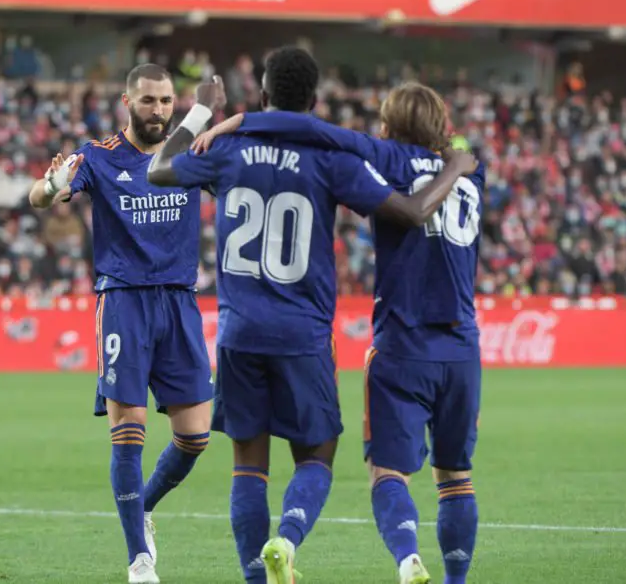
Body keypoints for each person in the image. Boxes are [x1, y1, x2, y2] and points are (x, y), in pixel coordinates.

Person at [146, 48, 477, 584]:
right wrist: (454, 165)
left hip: (239, 331)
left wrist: (205, 112)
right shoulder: (330, 160)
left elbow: (159, 169)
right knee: (317, 455)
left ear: (263, 95)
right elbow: (405, 210)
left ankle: (256, 578)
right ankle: (288, 538)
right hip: (304, 333)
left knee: (248, 465)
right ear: (315, 101)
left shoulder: (227, 149)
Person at [28, 65, 225, 584]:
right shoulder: (98, 155)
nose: (158, 110)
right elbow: (40, 196)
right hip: (123, 302)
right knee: (128, 433)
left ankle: (144, 508)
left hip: (180, 302)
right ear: (127, 103)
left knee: (195, 438)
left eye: (167, 101)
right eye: (148, 101)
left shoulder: (188, 152)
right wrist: (51, 184)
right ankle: (139, 559)